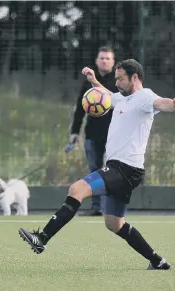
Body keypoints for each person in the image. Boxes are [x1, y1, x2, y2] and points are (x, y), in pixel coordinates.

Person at [18, 59, 175, 270]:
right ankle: (158, 261)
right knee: (114, 224)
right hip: (124, 169)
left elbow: (163, 103)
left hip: (125, 168)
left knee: (77, 189)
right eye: (115, 79)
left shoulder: (145, 97)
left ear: (134, 78)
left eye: (120, 79)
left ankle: (42, 238)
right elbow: (106, 94)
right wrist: (94, 81)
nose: (116, 83)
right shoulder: (121, 99)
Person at [70, 46, 118, 216]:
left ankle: (111, 207)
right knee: (95, 171)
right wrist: (75, 132)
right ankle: (96, 207)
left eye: (108, 58)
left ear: (113, 62)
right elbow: (79, 108)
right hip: (92, 134)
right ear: (97, 61)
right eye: (102, 58)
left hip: (114, 135)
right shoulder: (88, 83)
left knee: (112, 172)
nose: (104, 61)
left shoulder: (118, 83)